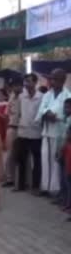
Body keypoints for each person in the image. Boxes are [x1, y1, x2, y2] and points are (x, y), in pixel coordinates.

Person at [35, 68, 71, 197]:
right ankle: (45, 187)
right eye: (51, 78)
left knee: (56, 162)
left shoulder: (68, 96)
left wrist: (56, 116)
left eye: (54, 79)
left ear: (62, 80)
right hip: (47, 131)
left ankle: (55, 189)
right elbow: (41, 110)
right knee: (45, 159)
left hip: (60, 133)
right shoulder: (47, 95)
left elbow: (68, 115)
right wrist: (46, 113)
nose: (51, 81)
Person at [14, 74, 43, 193]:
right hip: (23, 131)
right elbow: (18, 113)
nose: (26, 84)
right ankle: (20, 185)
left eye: (29, 82)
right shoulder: (21, 96)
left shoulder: (41, 97)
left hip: (36, 133)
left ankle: (35, 186)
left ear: (35, 83)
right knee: (21, 160)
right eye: (25, 82)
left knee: (37, 161)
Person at [2, 80, 23, 188]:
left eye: (17, 85)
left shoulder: (24, 97)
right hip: (12, 127)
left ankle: (21, 181)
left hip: (23, 129)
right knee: (9, 154)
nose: (15, 87)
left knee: (22, 156)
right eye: (13, 86)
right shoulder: (11, 97)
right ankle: (10, 178)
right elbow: (7, 113)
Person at [56, 98, 71, 211]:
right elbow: (60, 136)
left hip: (67, 151)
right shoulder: (63, 119)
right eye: (65, 107)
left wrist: (61, 151)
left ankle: (68, 203)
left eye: (68, 107)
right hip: (62, 150)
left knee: (67, 178)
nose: (66, 109)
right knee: (62, 177)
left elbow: (67, 138)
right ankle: (63, 199)